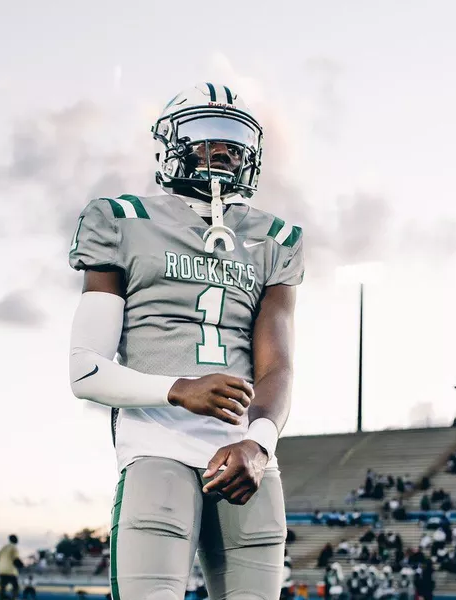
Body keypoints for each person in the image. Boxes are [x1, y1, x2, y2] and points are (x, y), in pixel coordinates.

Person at [68, 82, 304, 600]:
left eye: (235, 143)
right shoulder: (121, 220)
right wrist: (178, 389)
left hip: (244, 454)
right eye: (206, 137)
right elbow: (85, 370)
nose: (222, 151)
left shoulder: (276, 239)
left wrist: (260, 442)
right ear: (171, 145)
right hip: (157, 443)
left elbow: (278, 368)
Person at [0, 535, 22, 600]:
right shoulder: (14, 547)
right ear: (15, 540)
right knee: (15, 587)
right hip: (10, 571)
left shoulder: (4, 547)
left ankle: (2, 597)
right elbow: (15, 559)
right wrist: (21, 565)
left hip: (1, 570)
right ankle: (14, 597)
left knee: (2, 587)